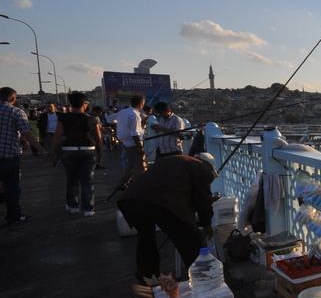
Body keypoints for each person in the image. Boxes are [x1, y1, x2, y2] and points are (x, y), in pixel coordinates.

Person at [117, 153, 218, 281]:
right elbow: (203, 201)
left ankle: (147, 276)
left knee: (146, 239)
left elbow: (176, 189)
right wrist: (206, 224)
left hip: (131, 199)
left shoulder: (179, 160)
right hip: (160, 202)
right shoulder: (201, 168)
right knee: (191, 239)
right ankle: (203, 278)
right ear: (209, 167)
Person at [50, 91, 103, 216]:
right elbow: (98, 138)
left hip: (69, 151)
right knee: (87, 180)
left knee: (71, 179)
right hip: (88, 151)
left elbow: (57, 138)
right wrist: (100, 154)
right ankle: (88, 209)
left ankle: (73, 206)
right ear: (84, 104)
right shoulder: (91, 119)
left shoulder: (63, 118)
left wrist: (54, 154)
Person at [0, 87, 45, 225]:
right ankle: (14, 216)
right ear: (12, 98)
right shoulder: (15, 112)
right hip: (9, 157)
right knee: (12, 187)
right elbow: (27, 133)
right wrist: (41, 150)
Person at [114, 95, 146, 189]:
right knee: (140, 167)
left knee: (131, 165)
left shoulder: (123, 112)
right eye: (143, 103)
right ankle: (139, 187)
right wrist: (140, 147)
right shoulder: (134, 114)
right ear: (141, 103)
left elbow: (110, 119)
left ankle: (122, 184)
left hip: (125, 143)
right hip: (133, 144)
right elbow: (134, 133)